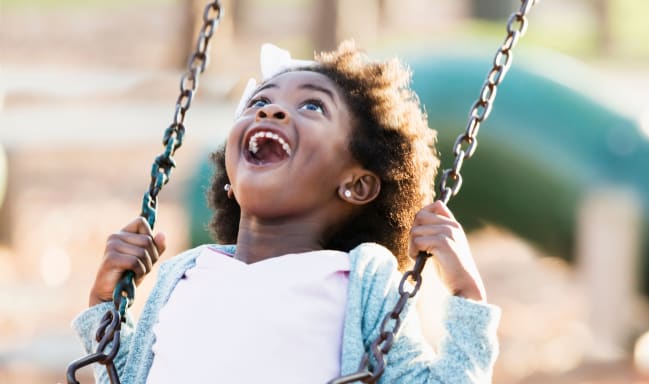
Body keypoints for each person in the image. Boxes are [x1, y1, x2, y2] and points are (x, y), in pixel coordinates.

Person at [73, 41, 500, 383]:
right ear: (229, 178)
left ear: (357, 184)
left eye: (312, 106)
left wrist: (465, 291)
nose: (271, 110)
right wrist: (104, 303)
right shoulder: (183, 275)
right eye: (260, 101)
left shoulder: (362, 283)